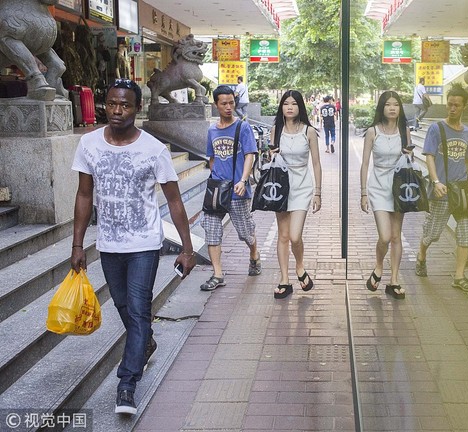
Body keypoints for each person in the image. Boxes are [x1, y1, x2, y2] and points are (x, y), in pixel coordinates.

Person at [70, 79, 196, 415]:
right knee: (125, 308)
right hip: (109, 244)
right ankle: (146, 343)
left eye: (124, 105)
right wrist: (78, 243)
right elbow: (84, 195)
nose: (116, 111)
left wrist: (186, 247)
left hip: (144, 242)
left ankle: (127, 383)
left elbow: (175, 200)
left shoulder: (154, 149)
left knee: (138, 310)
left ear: (136, 108)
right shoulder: (89, 144)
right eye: (111, 104)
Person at [415, 85, 468, 293]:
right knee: (433, 233)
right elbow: (429, 156)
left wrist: (463, 181)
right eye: (449, 104)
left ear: (464, 107)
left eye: (456, 105)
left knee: (466, 232)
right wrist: (436, 181)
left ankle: (459, 276)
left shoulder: (467, 132)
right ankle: (421, 254)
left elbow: (467, 159)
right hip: (440, 191)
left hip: (461, 191)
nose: (452, 108)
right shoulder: (437, 129)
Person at [200, 85, 261, 291]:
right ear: (216, 105)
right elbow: (212, 157)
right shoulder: (212, 130)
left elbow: (249, 155)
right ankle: (217, 274)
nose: (228, 107)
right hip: (217, 190)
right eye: (224, 103)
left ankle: (254, 253)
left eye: (231, 103)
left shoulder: (242, 127)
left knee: (244, 232)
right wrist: (216, 177)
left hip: (238, 190)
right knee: (212, 230)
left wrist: (243, 180)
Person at [269, 90, 323, 299]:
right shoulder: (276, 130)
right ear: (281, 107)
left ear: (300, 107)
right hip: (281, 186)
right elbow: (270, 158)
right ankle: (285, 280)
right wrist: (271, 153)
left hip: (302, 186)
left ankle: (299, 266)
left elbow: (316, 163)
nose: (289, 107)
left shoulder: (309, 131)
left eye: (293, 104)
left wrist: (318, 193)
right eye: (285, 103)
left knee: (294, 235)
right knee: (283, 235)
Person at [360, 91, 413, 299]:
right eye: (388, 104)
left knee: (396, 235)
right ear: (382, 107)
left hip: (399, 187)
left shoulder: (404, 131)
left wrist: (409, 155)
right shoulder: (373, 132)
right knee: (385, 235)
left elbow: (410, 160)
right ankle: (379, 266)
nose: (392, 108)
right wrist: (363, 193)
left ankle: (394, 280)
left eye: (396, 105)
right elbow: (365, 163)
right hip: (378, 187)